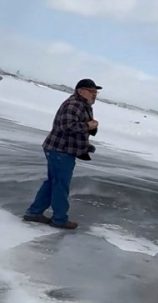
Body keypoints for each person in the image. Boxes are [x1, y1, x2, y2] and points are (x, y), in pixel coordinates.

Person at [23, 78, 101, 229]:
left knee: (53, 183)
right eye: (91, 91)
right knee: (60, 185)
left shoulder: (83, 105)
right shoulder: (74, 105)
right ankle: (59, 219)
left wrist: (85, 144)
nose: (95, 94)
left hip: (61, 149)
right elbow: (67, 127)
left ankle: (34, 212)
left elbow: (74, 131)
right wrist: (88, 125)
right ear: (81, 91)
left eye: (96, 92)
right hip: (60, 151)